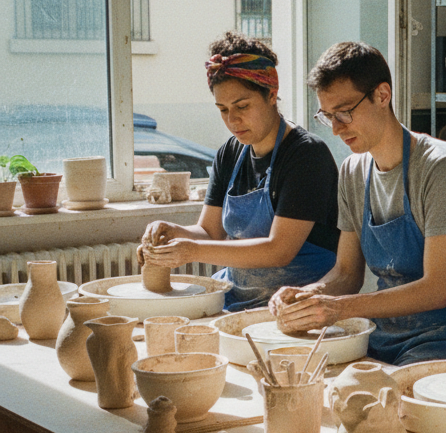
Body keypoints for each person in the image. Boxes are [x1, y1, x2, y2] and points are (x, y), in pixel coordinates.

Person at [269, 41, 446, 364]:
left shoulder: (441, 166)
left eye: (344, 112)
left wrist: (340, 308)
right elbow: (346, 274)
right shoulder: (353, 171)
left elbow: (436, 289)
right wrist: (310, 294)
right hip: (386, 332)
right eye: (327, 116)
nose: (336, 129)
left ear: (382, 95)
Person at [141, 32, 340, 311]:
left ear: (271, 94)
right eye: (222, 110)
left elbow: (279, 251)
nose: (232, 120)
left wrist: (191, 250)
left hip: (298, 304)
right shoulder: (230, 154)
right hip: (237, 297)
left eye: (242, 106)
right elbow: (210, 232)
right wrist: (175, 233)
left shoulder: (305, 155)